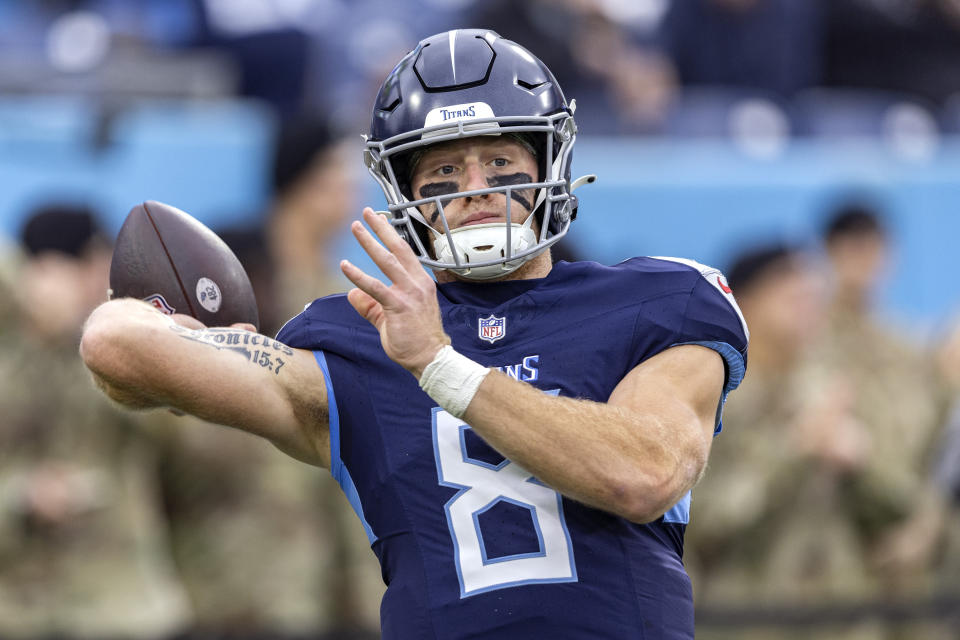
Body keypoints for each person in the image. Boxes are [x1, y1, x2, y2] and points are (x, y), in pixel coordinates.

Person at [80, 29, 748, 639]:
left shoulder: (659, 299)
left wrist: (438, 364)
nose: (476, 189)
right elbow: (119, 347)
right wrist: (137, 311)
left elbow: (642, 474)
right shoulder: (351, 338)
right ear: (403, 193)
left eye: (500, 160)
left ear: (552, 160)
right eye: (444, 174)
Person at [1, 204, 191, 639]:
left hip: (120, 607)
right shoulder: (10, 351)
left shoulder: (139, 341)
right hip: (19, 608)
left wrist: (90, 338)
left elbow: (176, 434)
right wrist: (21, 499)